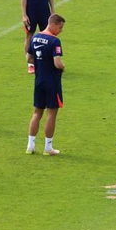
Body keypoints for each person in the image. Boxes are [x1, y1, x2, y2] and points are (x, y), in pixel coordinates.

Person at [27, 13, 66, 156]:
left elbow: (28, 58)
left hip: (39, 81)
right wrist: (63, 67)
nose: (61, 30)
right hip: (52, 82)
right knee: (51, 113)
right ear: (53, 24)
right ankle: (48, 148)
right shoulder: (55, 41)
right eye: (60, 27)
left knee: (37, 112)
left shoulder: (35, 37)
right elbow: (57, 62)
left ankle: (30, 146)